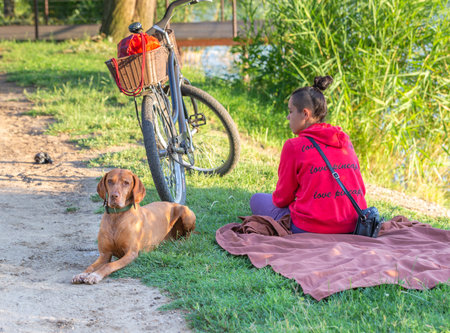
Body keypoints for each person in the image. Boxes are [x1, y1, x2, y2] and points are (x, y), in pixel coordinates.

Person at [250, 75, 367, 234]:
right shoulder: (344, 139)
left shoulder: (293, 146)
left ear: (305, 114)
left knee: (256, 199)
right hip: (354, 225)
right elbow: (361, 190)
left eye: (291, 111)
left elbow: (281, 199)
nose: (288, 117)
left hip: (310, 228)